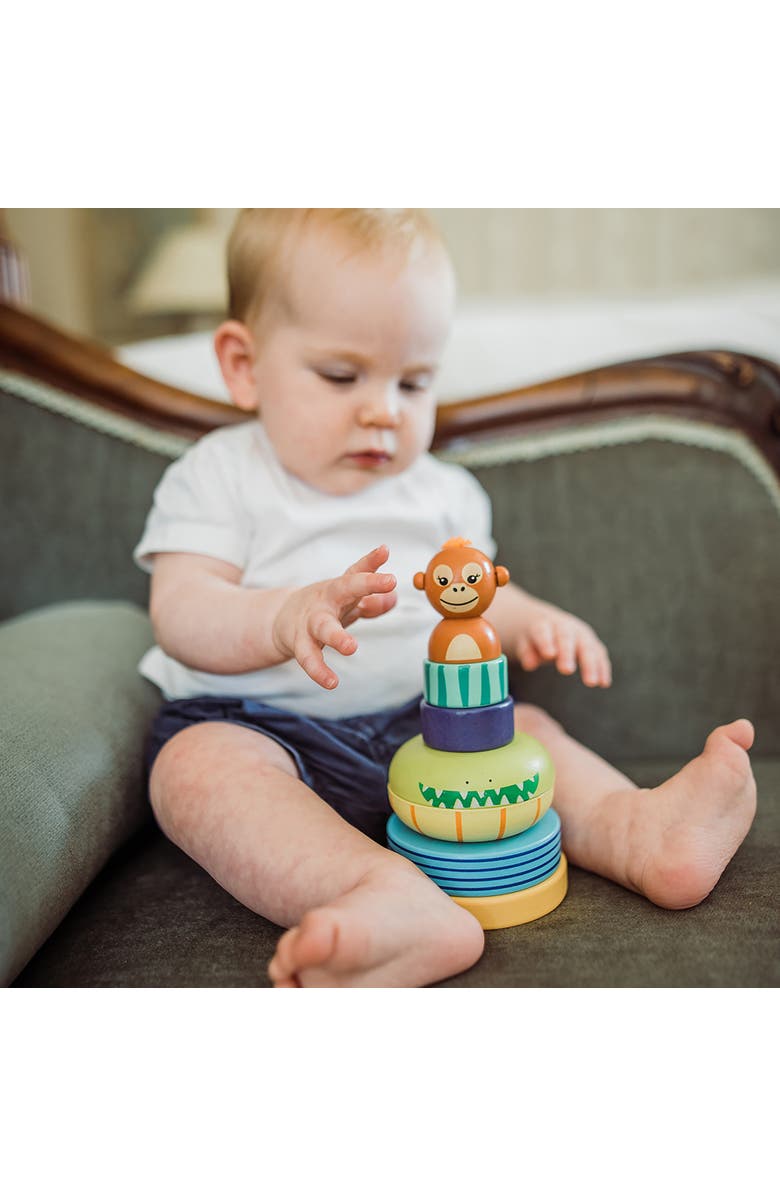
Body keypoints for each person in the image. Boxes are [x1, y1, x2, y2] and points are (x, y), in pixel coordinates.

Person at [135, 209, 757, 987]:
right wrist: (279, 616)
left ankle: (642, 833)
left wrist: (533, 620)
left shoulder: (441, 495)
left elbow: (476, 600)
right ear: (243, 363)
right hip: (259, 729)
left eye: (414, 381)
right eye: (341, 375)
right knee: (194, 771)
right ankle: (386, 900)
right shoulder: (221, 475)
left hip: (429, 730)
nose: (384, 410)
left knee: (529, 728)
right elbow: (181, 609)